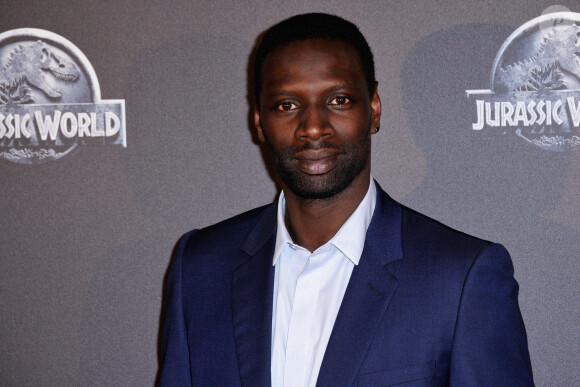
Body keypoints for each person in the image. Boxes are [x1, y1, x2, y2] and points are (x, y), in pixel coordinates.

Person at [158, 13, 534, 386]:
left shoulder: (460, 279)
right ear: (258, 121)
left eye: (338, 100)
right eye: (287, 105)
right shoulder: (201, 268)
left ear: (373, 109)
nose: (313, 127)